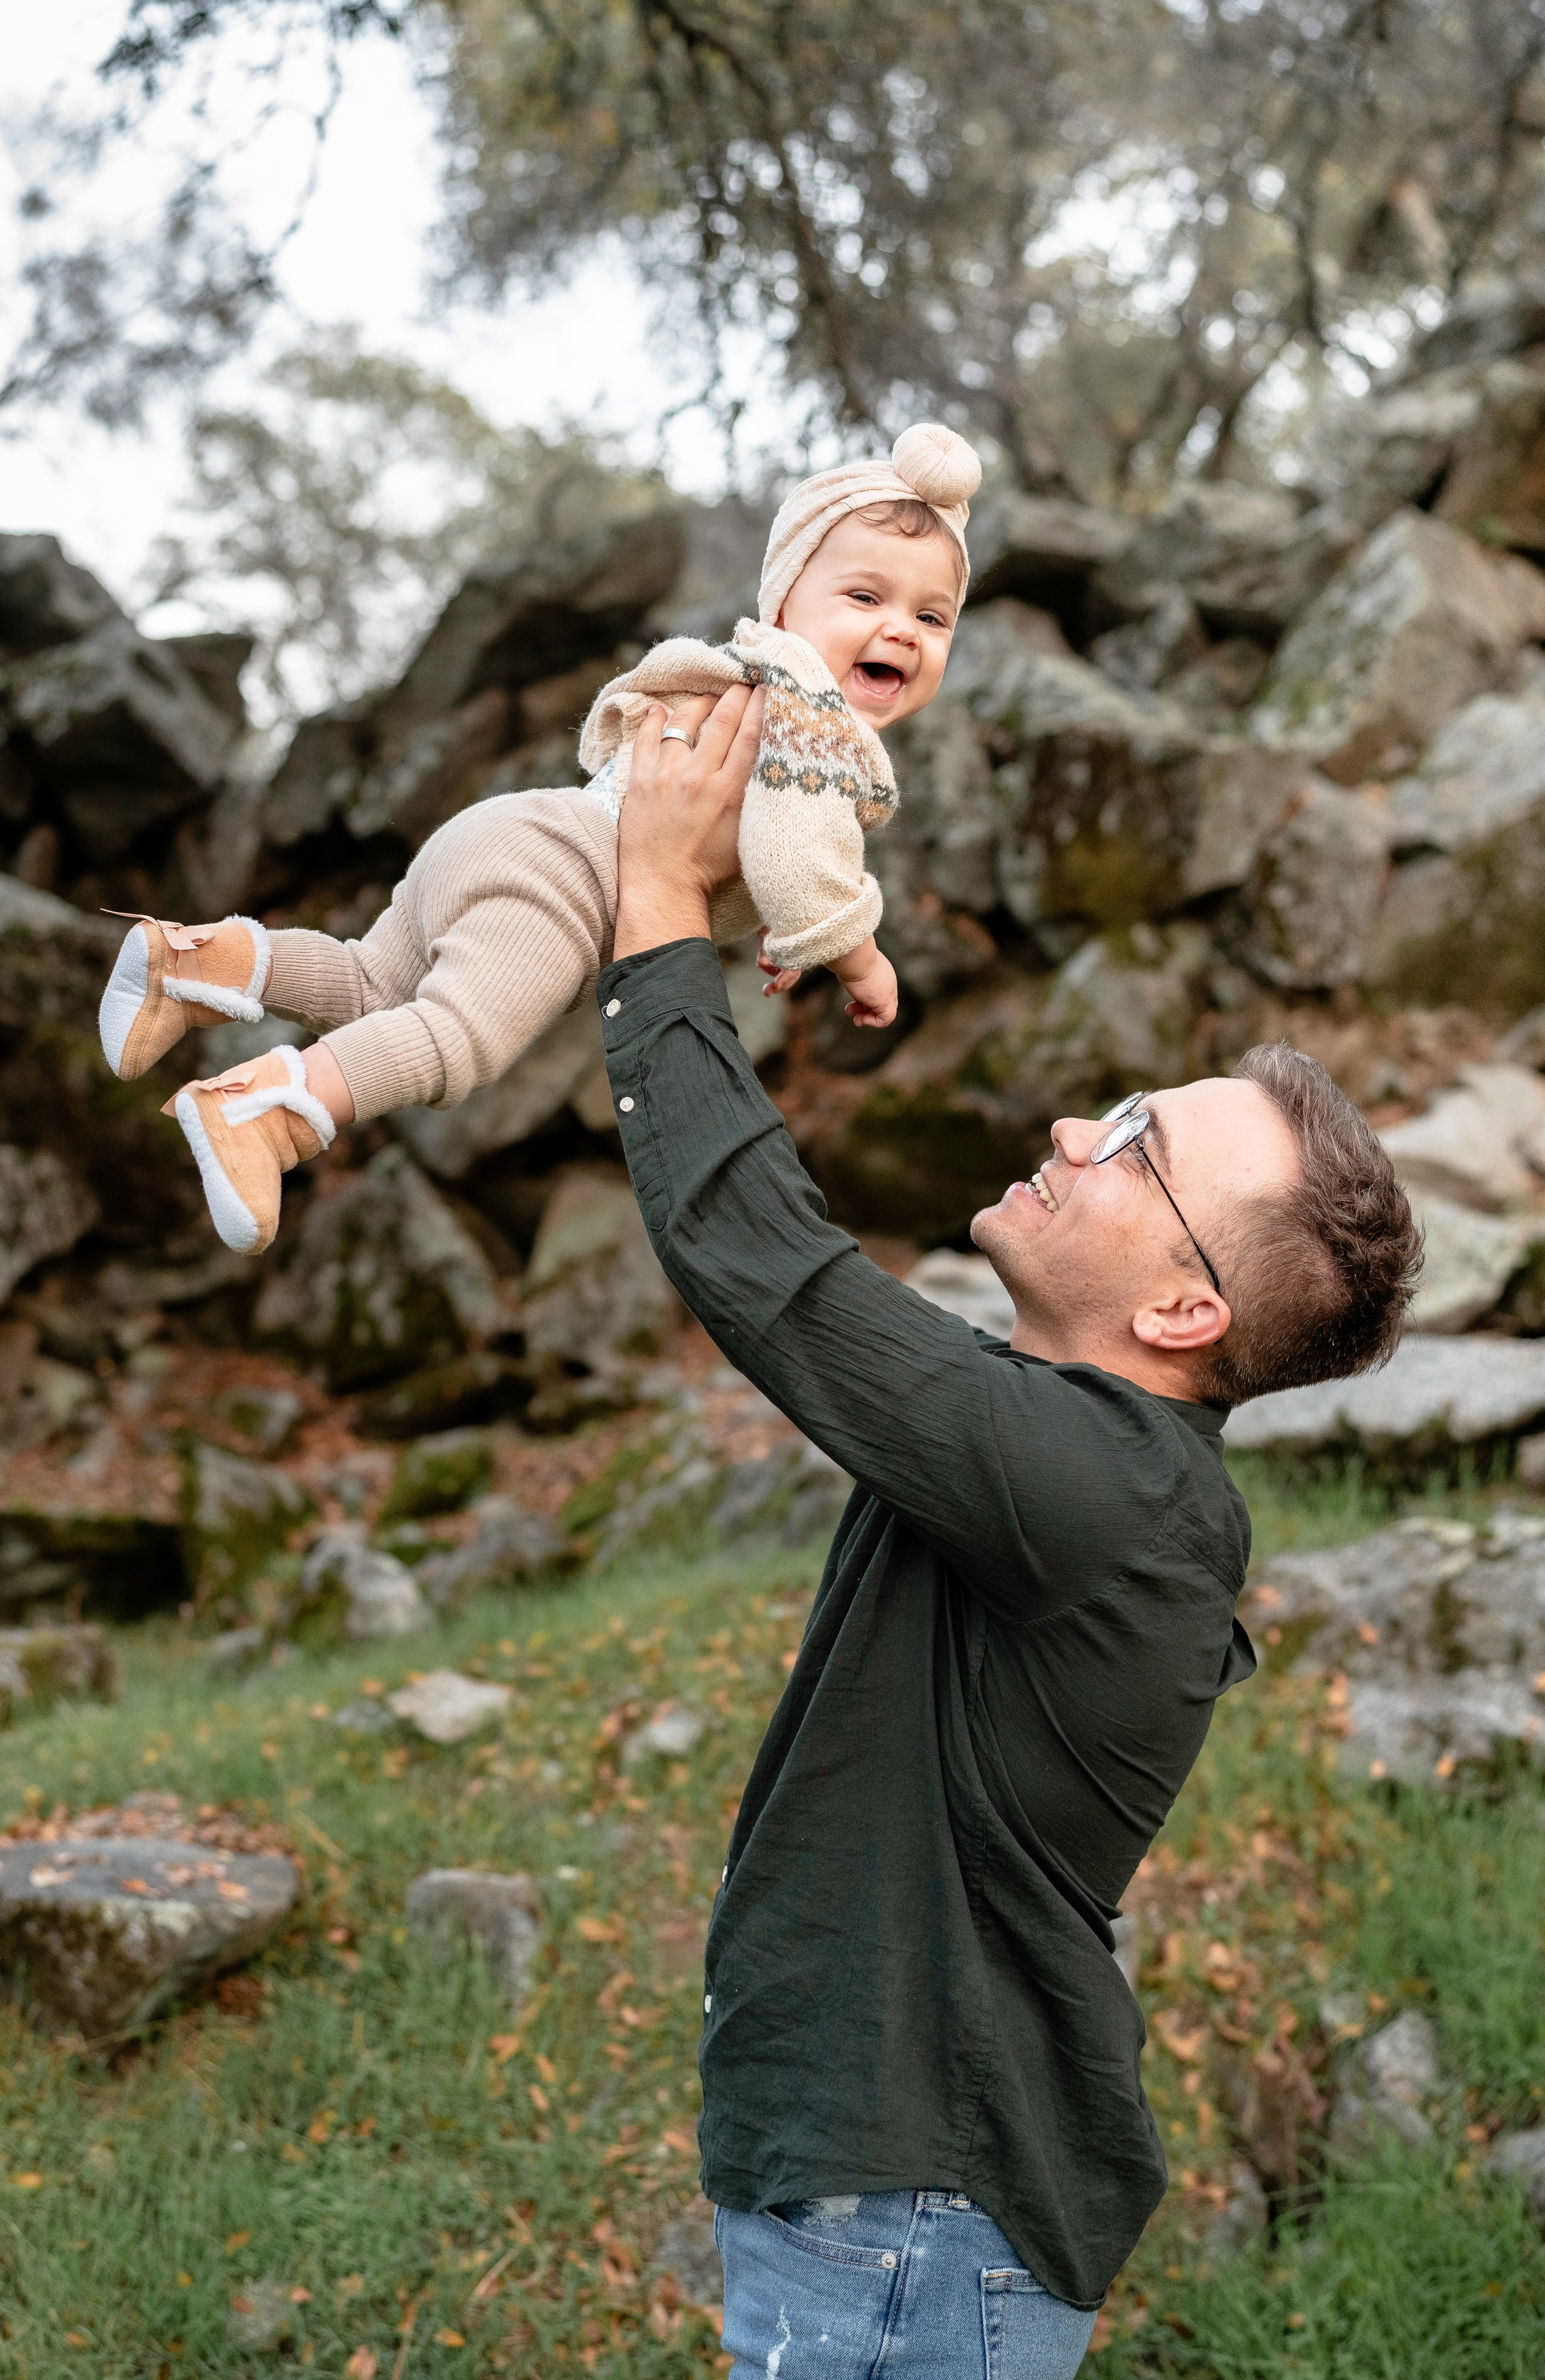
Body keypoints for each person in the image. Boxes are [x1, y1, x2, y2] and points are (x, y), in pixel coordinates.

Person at [595, 684, 1422, 2380]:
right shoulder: (1074, 1462)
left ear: (1188, 1308)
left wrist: (662, 906)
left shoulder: (1110, 1490)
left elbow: (769, 1270)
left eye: (1133, 1146)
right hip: (891, 2218)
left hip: (915, 2223)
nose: (1072, 1128)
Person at [93, 423, 981, 1254]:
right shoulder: (810, 720)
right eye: (865, 596)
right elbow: (806, 859)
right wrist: (859, 959)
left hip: (513, 830)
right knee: (457, 1043)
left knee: (372, 983)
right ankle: (264, 1110)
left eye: (933, 618)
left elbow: (772, 853)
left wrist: (788, 938)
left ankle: (192, 964)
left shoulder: (749, 681)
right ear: (785, 603)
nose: (902, 628)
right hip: (563, 879)